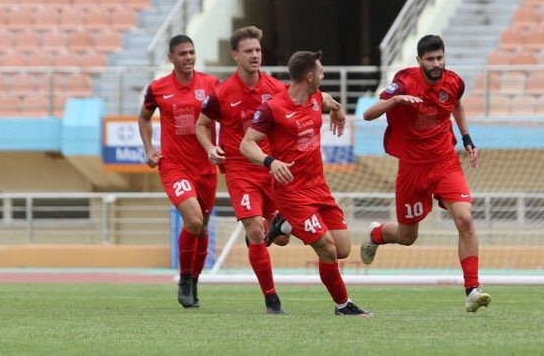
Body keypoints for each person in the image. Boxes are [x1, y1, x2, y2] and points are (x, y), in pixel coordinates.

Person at [360, 34, 490, 313]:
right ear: (419, 61)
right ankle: (376, 234)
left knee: (465, 218)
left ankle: (472, 290)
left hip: (445, 162)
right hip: (412, 167)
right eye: (430, 59)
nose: (436, 63)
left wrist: (467, 139)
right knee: (408, 236)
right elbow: (368, 114)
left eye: (439, 57)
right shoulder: (405, 81)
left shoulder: (454, 82)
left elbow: (455, 103)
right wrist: (395, 100)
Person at [240, 50, 372, 317]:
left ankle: (284, 224)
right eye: (321, 71)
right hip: (291, 192)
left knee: (343, 248)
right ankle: (343, 306)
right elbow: (246, 144)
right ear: (309, 75)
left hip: (318, 187)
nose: (323, 75)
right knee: (327, 248)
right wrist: (270, 162)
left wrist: (338, 110)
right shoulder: (273, 108)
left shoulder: (315, 98)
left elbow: (328, 100)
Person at [195, 26, 289, 314]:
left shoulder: (275, 88)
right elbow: (201, 125)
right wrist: (211, 148)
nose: (255, 55)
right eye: (248, 51)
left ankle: (268, 233)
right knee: (255, 231)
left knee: (282, 237)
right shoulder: (221, 92)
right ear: (235, 55)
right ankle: (271, 300)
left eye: (258, 50)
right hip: (239, 169)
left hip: (270, 166)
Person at [138, 34, 219, 309]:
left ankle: (194, 280)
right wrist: (149, 148)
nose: (188, 58)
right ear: (171, 58)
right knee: (194, 221)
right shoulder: (158, 88)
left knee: (203, 226)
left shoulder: (210, 84)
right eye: (182, 53)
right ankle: (184, 278)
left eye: (192, 52)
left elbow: (228, 115)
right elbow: (144, 117)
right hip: (174, 166)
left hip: (206, 167)